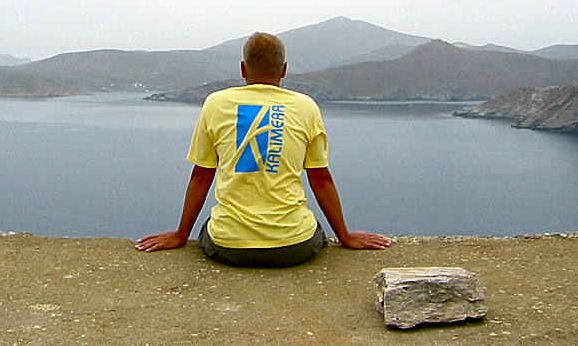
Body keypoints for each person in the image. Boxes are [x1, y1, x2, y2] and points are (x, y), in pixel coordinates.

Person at [135, 32, 391, 267]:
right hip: (294, 246)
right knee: (310, 229)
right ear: (284, 70)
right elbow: (321, 180)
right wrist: (345, 236)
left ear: (243, 69)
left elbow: (201, 175)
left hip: (229, 246)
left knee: (212, 227)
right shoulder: (306, 107)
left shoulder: (216, 103)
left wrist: (181, 235)